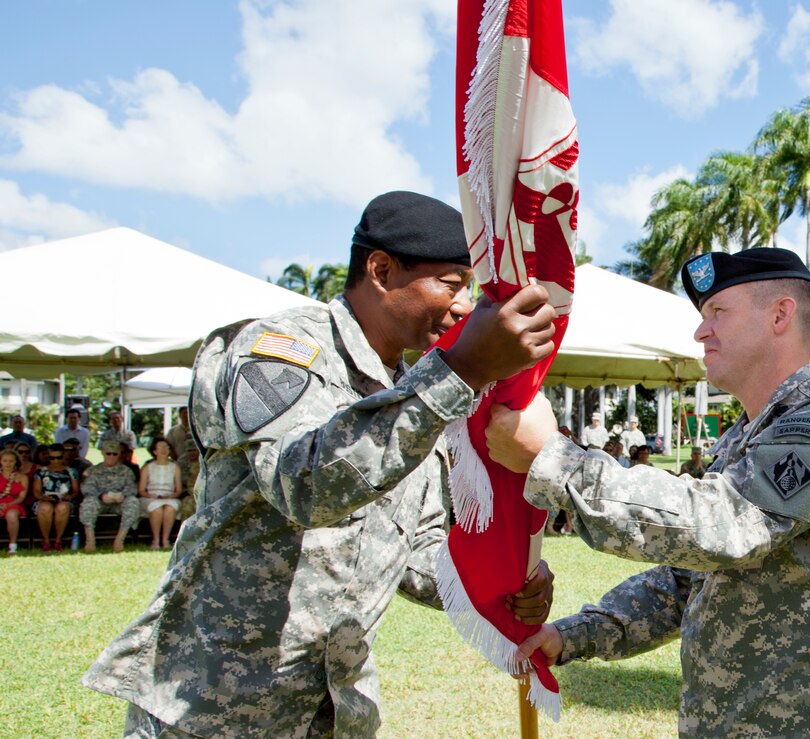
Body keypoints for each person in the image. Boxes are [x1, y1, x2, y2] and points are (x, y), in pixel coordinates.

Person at [83, 191, 558, 737]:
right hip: (212, 706)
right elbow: (303, 485)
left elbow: (415, 546)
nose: (461, 306)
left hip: (332, 710)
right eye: (451, 284)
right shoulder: (281, 348)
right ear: (380, 270)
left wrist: (500, 583)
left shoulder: (409, 390)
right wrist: (460, 373)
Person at [487, 248, 810, 737]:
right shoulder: (752, 436)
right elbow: (685, 581)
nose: (700, 330)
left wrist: (555, 462)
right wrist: (571, 635)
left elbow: (723, 526)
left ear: (781, 314)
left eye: (719, 312)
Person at [79, 440, 139, 553]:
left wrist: (123, 495)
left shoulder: (126, 471)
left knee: (133, 502)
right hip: (100, 501)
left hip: (119, 502)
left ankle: (119, 541)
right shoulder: (93, 471)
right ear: (103, 453)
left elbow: (132, 487)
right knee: (88, 502)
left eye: (115, 454)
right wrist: (101, 496)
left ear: (119, 454)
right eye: (108, 453)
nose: (111, 456)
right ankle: (90, 541)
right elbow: (87, 488)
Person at [32, 443, 79, 552]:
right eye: (52, 458)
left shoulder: (71, 471)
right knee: (45, 508)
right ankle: (46, 540)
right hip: (45, 499)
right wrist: (43, 497)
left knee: (62, 508)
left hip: (65, 500)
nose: (56, 461)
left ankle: (58, 540)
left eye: (59, 457)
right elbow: (36, 491)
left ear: (63, 456)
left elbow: (76, 491)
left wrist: (70, 496)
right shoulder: (41, 472)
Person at [138, 437, 182, 550]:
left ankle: (165, 539)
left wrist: (171, 496)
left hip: (169, 496)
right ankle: (156, 540)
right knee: (156, 509)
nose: (163, 449)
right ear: (154, 451)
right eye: (160, 447)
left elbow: (179, 490)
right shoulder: (147, 467)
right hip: (151, 497)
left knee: (170, 508)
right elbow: (142, 490)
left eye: (166, 447)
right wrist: (152, 496)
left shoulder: (175, 467)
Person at [0, 449, 29, 553]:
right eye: (5, 461)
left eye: (11, 461)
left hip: (14, 503)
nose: (8, 463)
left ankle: (12, 545)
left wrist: (7, 504)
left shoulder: (22, 477)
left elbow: (21, 497)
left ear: (16, 462)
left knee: (11, 515)